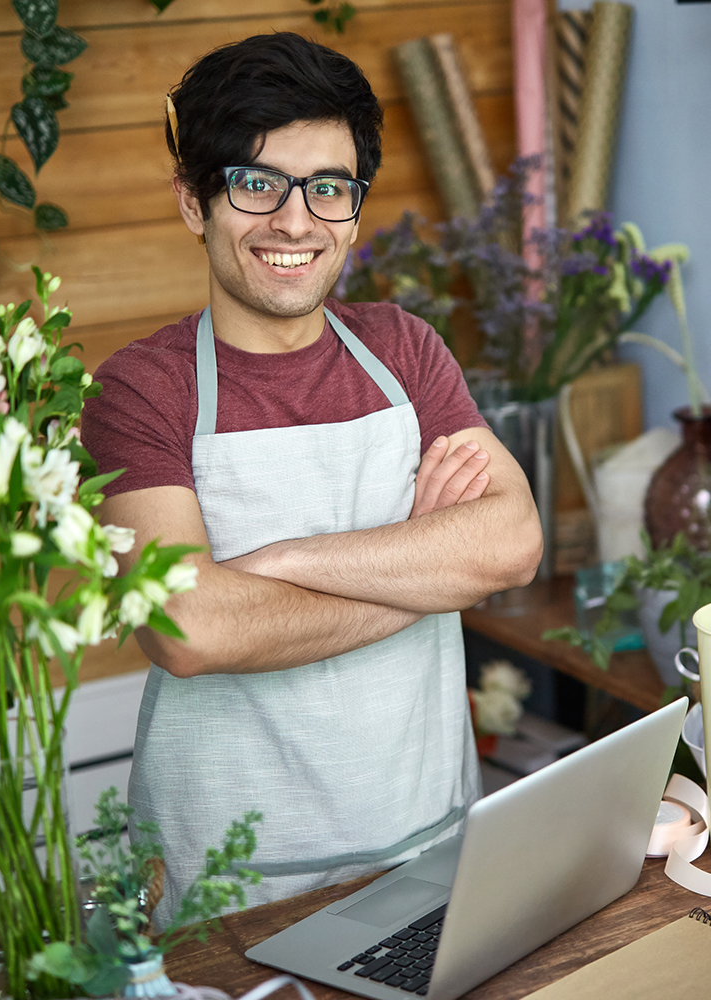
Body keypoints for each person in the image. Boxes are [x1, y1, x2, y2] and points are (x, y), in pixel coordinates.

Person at [81, 31, 543, 925]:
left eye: (328, 189)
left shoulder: (405, 351)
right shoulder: (142, 389)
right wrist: (433, 573)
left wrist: (274, 562)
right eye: (258, 184)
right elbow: (186, 629)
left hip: (431, 849)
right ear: (194, 201)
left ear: (355, 210)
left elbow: (513, 543)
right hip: (226, 886)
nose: (296, 223)